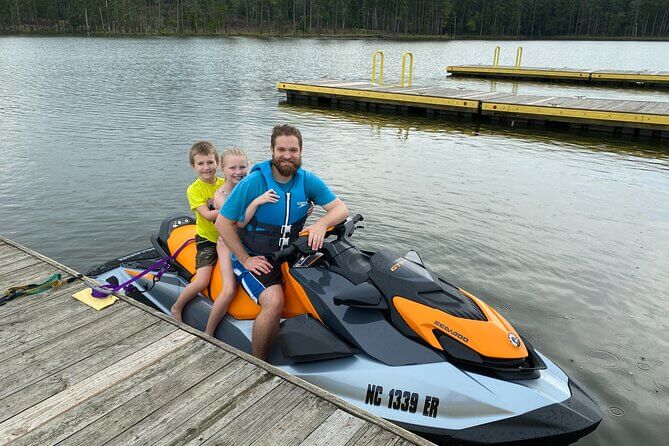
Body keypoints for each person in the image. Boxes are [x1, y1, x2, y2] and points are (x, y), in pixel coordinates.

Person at [216, 124, 349, 360]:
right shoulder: (254, 182)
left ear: (300, 151)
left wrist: (320, 224)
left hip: (291, 253)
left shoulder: (307, 180)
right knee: (275, 302)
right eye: (281, 150)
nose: (287, 155)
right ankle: (259, 362)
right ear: (272, 151)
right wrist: (245, 259)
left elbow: (340, 209)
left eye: (293, 150)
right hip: (257, 256)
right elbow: (223, 223)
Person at [204, 148, 279, 336]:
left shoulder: (249, 186)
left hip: (249, 241)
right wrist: (256, 202)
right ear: (223, 169)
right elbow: (239, 222)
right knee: (229, 290)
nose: (238, 171)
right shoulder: (220, 197)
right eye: (232, 168)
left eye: (242, 167)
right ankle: (208, 332)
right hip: (228, 243)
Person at [171, 141, 224, 322]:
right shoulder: (194, 189)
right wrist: (234, 209)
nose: (206, 167)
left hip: (228, 238)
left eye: (210, 162)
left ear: (217, 163)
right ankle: (177, 307)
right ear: (193, 166)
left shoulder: (226, 183)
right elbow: (208, 215)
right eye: (200, 163)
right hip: (207, 239)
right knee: (202, 281)